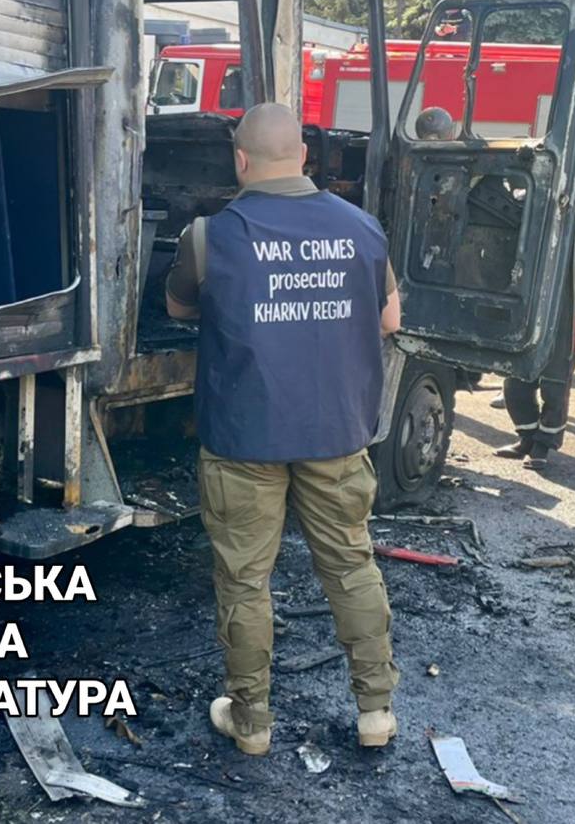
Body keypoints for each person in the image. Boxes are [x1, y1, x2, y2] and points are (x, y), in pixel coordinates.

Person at [165, 103, 401, 757]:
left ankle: (252, 724)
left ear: (240, 160)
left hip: (244, 436)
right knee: (351, 566)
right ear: (304, 155)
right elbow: (387, 322)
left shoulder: (208, 237)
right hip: (336, 432)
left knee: (245, 581)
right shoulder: (363, 230)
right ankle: (375, 712)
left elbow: (178, 306)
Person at [494, 189, 575, 468]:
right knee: (515, 378)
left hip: (563, 307)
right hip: (524, 304)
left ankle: (543, 446)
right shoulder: (523, 197)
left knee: (555, 382)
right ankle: (527, 437)